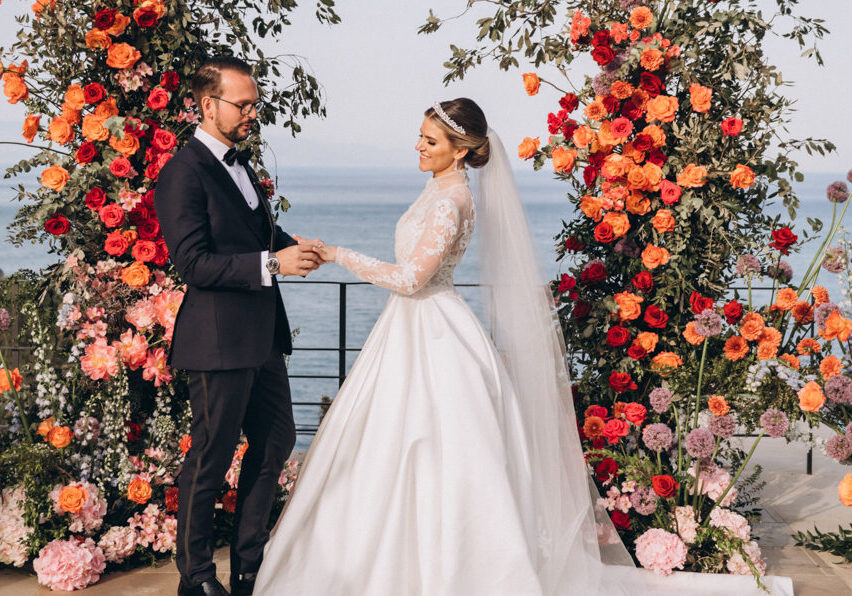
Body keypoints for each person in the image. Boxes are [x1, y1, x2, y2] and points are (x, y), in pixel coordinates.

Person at [253, 99, 793, 595]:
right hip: (411, 330)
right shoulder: (438, 187)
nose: (418, 146)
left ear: (461, 149)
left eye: (430, 141)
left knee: (440, 449)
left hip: (433, 329)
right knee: (396, 444)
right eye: (419, 137)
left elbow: (414, 279)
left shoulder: (452, 199)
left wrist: (341, 254)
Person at [153, 56, 323, 596]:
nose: (252, 113)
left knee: (276, 441)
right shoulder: (183, 171)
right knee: (210, 457)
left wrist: (291, 246)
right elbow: (194, 262)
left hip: (262, 338)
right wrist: (272, 265)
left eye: (254, 103)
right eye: (242, 104)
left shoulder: (241, 166)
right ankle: (196, 577)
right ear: (208, 104)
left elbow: (251, 232)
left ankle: (249, 566)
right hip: (217, 341)